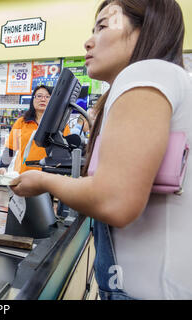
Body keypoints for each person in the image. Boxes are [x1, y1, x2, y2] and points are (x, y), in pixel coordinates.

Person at [10, 0, 192, 300]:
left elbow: (115, 200)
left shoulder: (147, 73)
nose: (89, 40)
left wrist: (41, 181)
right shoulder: (169, 79)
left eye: (103, 26)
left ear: (143, 30)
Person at [0, 85, 70, 175]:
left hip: (50, 178)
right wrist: (3, 167)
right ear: (33, 100)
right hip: (23, 175)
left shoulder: (61, 125)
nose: (43, 99)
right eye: (39, 96)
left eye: (47, 97)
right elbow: (11, 148)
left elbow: (66, 153)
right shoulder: (21, 122)